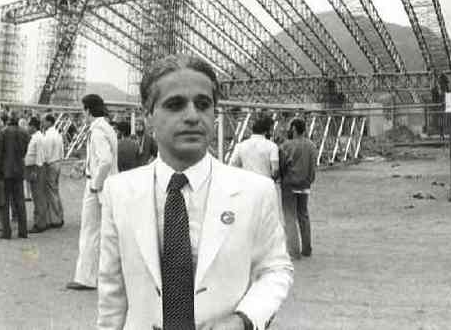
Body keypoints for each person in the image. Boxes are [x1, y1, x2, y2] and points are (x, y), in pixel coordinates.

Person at [97, 54, 293, 330]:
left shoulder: (255, 192)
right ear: (148, 117)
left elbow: (275, 269)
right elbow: (111, 291)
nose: (192, 116)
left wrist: (244, 320)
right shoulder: (119, 191)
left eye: (203, 104)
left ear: (214, 113)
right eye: (175, 105)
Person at [67, 94, 118, 290]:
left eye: (83, 110)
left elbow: (104, 160)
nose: (82, 114)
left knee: (89, 232)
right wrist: (87, 164)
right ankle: (105, 276)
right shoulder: (107, 129)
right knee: (107, 233)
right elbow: (105, 160)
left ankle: (85, 278)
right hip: (109, 185)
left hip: (97, 187)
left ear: (88, 110)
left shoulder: (97, 131)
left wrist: (95, 183)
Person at [279, 118, 318, 259]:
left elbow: (282, 165)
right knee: (303, 215)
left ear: (294, 129)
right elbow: (313, 166)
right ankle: (307, 248)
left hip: (289, 184)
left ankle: (294, 251)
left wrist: (281, 178)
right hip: (305, 184)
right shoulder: (311, 145)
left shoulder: (286, 146)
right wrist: (309, 180)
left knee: (290, 217)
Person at [0, 113, 30, 239]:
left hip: (5, 172)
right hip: (19, 170)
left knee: (4, 202)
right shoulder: (24, 133)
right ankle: (23, 231)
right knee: (20, 201)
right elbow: (25, 151)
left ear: (8, 120)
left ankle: (6, 231)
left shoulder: (3, 133)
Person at [40, 114, 65, 228]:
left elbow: (46, 153)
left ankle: (55, 218)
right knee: (55, 190)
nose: (42, 123)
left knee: (51, 191)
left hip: (51, 164)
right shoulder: (57, 134)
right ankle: (58, 216)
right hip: (57, 162)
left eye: (44, 121)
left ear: (49, 122)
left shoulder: (48, 136)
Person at [25, 116, 49, 233]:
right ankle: (41, 220)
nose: (27, 128)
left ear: (33, 127)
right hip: (35, 167)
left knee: (38, 196)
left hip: (36, 168)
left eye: (28, 126)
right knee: (37, 196)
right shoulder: (36, 137)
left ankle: (39, 223)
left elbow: (39, 155)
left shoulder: (38, 138)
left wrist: (35, 170)